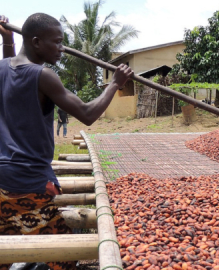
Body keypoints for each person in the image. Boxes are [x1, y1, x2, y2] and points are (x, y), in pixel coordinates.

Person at [0, 13, 133, 270]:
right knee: (65, 257)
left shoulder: (2, 68)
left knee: (5, 247)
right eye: (57, 42)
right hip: (28, 183)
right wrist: (114, 83)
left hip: (2, 180)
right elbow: (87, 114)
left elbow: (9, 62)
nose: (62, 49)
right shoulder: (43, 75)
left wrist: (7, 40)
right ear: (36, 42)